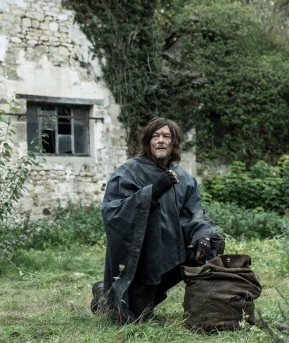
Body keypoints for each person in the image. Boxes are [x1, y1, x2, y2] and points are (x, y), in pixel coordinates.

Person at [91, 117, 224, 323]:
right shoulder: (128, 172)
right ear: (148, 142)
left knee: (212, 243)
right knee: (136, 316)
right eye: (155, 136)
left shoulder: (184, 178)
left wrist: (202, 235)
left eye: (166, 136)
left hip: (171, 249)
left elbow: (194, 213)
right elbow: (113, 211)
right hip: (143, 254)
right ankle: (107, 294)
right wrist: (153, 191)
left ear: (174, 143)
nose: (161, 140)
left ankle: (205, 310)